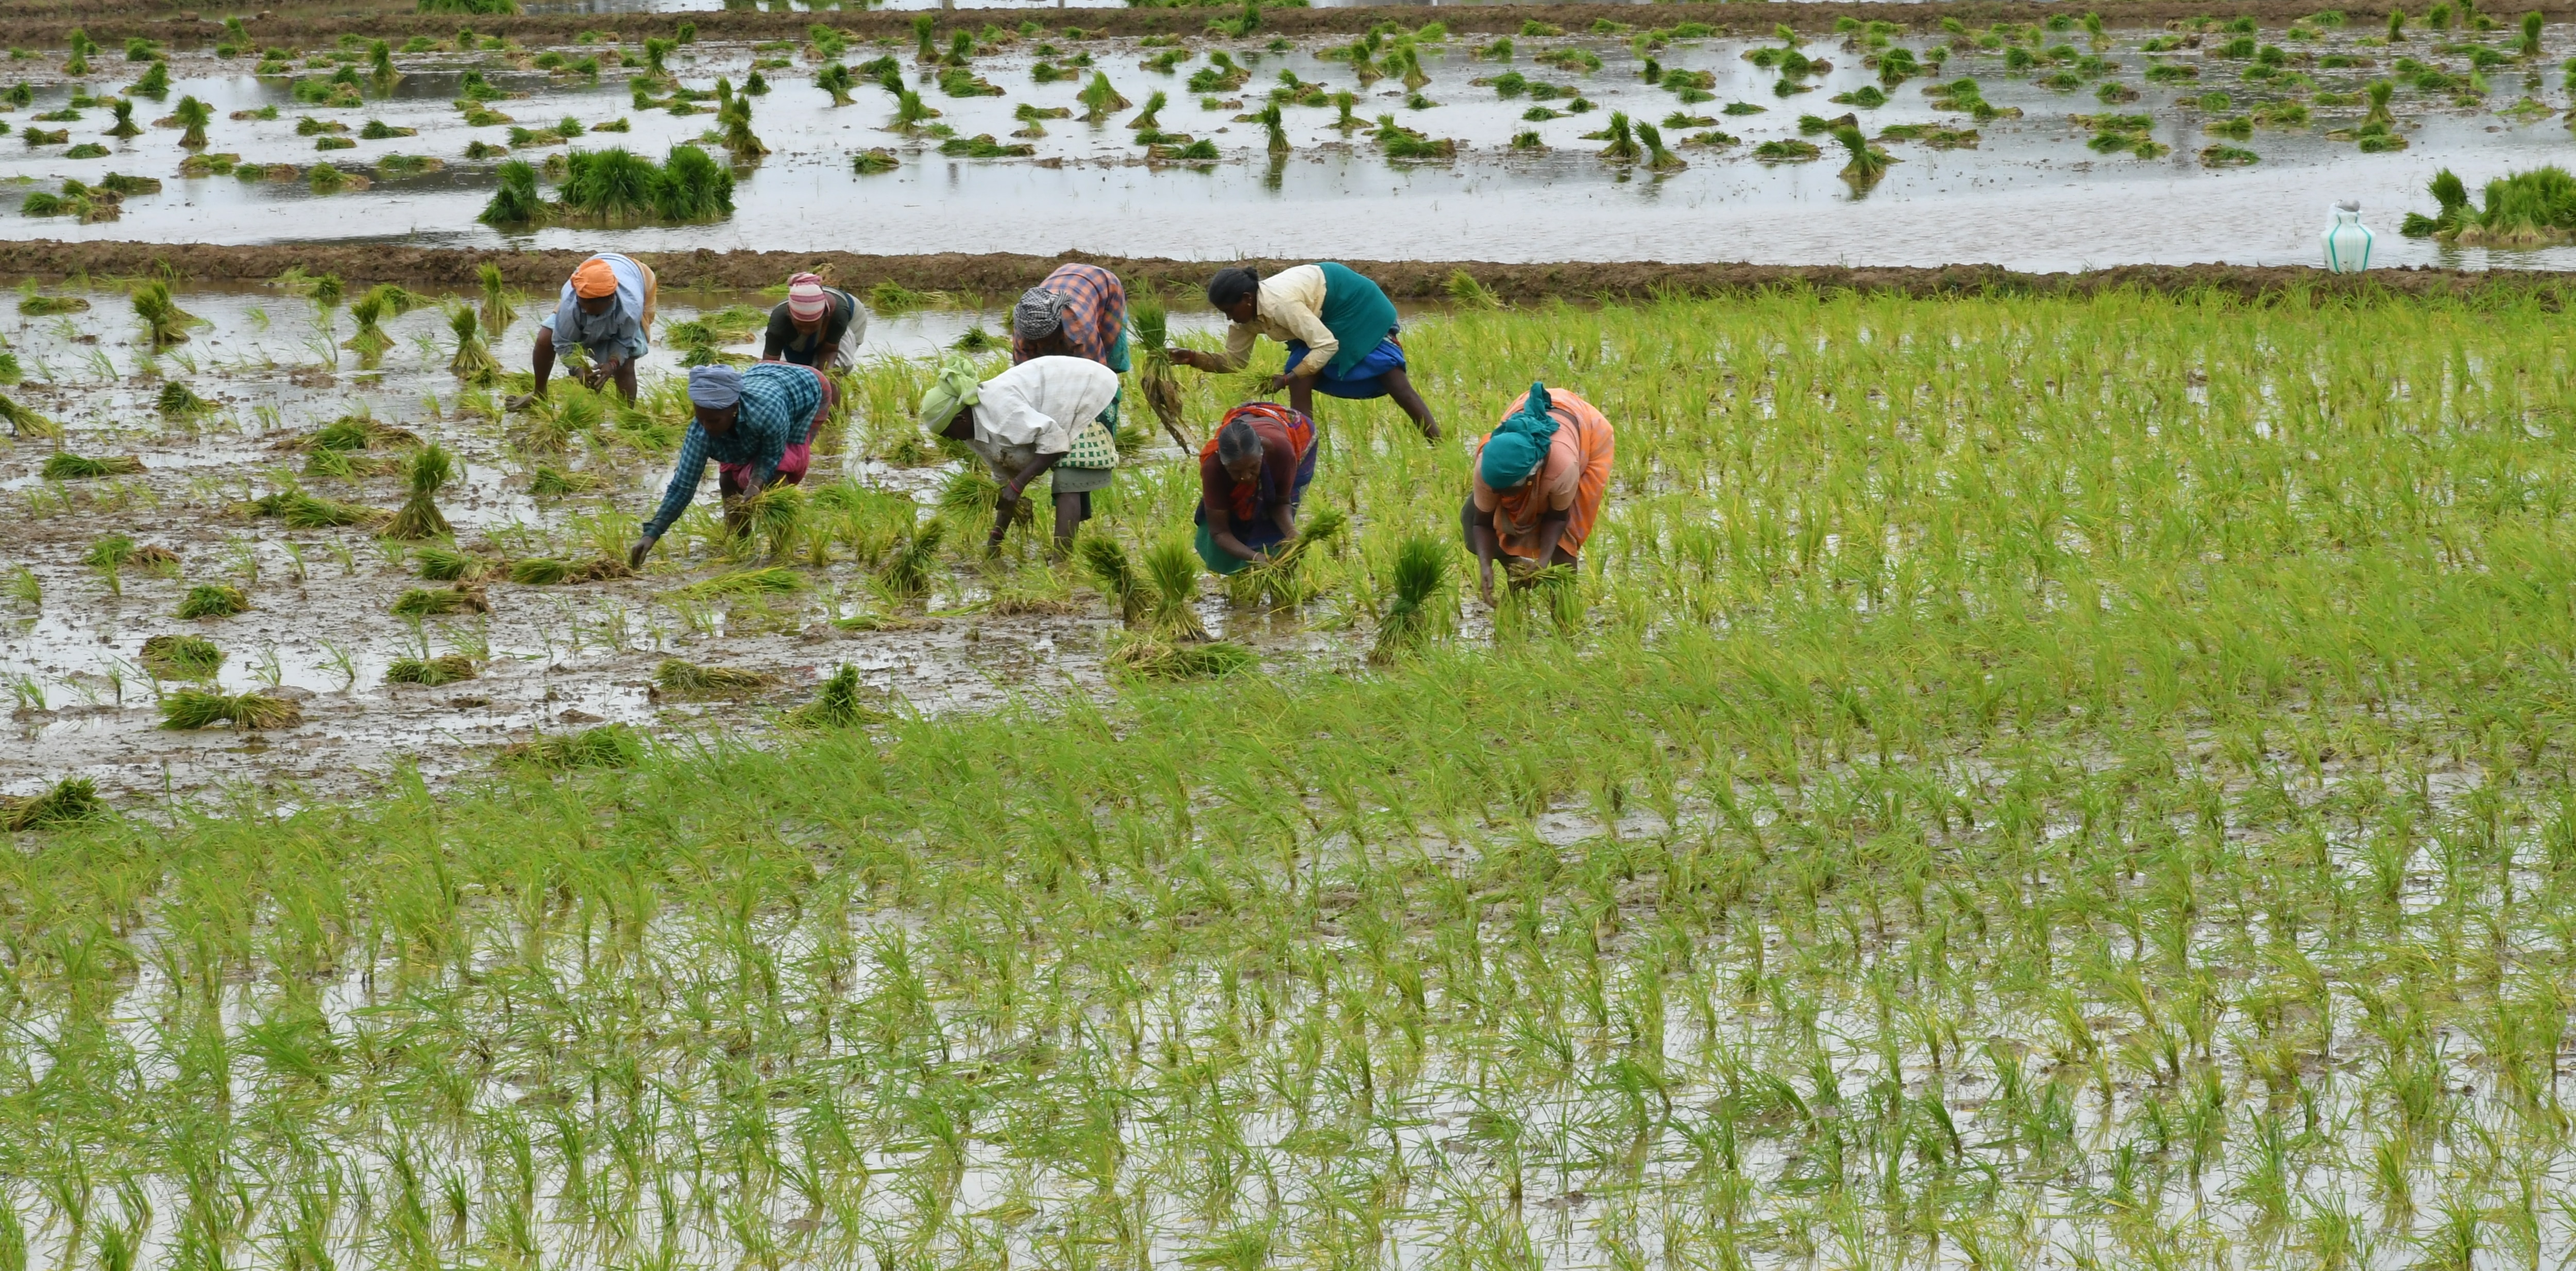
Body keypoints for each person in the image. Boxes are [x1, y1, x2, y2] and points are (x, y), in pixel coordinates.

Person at [1170, 263, 1439, 442]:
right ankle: (1304, 448)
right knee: (1301, 378)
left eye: (1230, 309)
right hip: (1318, 311)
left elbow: (1326, 345)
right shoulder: (1244, 319)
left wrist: (1286, 379)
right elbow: (1234, 362)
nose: (1228, 317)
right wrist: (1193, 358)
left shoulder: (1281, 305)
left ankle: (1437, 441)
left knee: (1391, 377)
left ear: (1247, 299)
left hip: (1352, 301)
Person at [627, 363, 836, 567]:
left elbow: (771, 455)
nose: (707, 427)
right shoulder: (700, 432)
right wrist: (651, 534)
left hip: (808, 390)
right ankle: (743, 545)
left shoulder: (768, 412)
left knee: (777, 476)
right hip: (761, 375)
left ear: (734, 408)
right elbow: (682, 487)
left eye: (714, 421)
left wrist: (755, 484)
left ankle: (780, 549)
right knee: (728, 480)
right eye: (702, 419)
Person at [918, 355, 1122, 555]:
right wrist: (995, 540)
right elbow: (1007, 480)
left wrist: (1018, 485)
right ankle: (1063, 553)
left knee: (1068, 481)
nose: (952, 440)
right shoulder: (973, 436)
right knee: (1066, 480)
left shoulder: (1001, 411)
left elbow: (1053, 441)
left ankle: (1062, 564)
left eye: (949, 434)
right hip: (1063, 401)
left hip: (1090, 388)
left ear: (961, 419)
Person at [1461, 382, 1614, 606]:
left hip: (1585, 429)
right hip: (1525, 423)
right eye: (1494, 487)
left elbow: (1557, 518)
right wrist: (1485, 567)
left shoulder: (1562, 469)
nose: (1496, 493)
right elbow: (1481, 523)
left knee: (1564, 543)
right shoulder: (1489, 464)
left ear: (1531, 477)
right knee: (1471, 518)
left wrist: (1543, 563)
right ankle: (1516, 571)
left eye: (1505, 489)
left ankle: (1564, 609)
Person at [515, 252, 656, 410]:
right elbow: (562, 342)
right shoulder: (572, 301)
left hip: (638, 276)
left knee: (626, 365)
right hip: (591, 272)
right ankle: (539, 394)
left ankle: (627, 414)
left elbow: (624, 342)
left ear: (611, 300)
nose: (587, 313)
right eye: (583, 306)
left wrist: (612, 364)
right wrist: (578, 369)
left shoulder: (630, 309)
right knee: (545, 339)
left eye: (594, 311)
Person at [1194, 401, 1317, 575]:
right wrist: (1256, 557)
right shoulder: (1213, 468)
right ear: (1222, 461)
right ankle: (1247, 572)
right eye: (1236, 471)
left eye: (1253, 467)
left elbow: (1281, 502)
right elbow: (1219, 531)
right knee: (1239, 521)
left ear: (1262, 453)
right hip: (1252, 436)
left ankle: (1283, 583)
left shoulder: (1282, 453)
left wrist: (1293, 534)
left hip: (1296, 437)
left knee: (1278, 537)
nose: (1246, 476)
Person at [761, 272, 866, 371]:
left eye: (812, 326)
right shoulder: (778, 324)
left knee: (835, 369)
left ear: (825, 313)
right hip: (807, 322)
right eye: (800, 325)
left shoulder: (838, 316)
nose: (806, 331)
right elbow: (769, 365)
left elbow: (830, 350)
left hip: (849, 318)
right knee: (796, 368)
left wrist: (826, 376)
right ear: (789, 313)